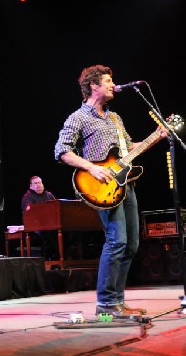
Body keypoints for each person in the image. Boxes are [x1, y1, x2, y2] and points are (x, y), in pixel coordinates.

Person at [54, 64, 167, 318]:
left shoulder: (115, 118)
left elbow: (129, 149)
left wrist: (156, 136)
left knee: (132, 245)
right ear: (93, 86)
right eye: (107, 80)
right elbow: (61, 150)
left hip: (126, 185)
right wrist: (91, 168)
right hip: (101, 187)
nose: (112, 84)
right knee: (117, 241)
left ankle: (117, 301)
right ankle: (106, 303)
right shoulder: (78, 117)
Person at [20, 175, 58, 260]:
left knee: (66, 232)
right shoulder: (28, 196)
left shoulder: (49, 195)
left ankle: (59, 257)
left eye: (40, 182)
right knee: (51, 234)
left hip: (51, 224)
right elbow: (29, 212)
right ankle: (52, 258)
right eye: (36, 183)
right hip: (36, 226)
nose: (38, 185)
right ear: (31, 186)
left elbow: (56, 208)